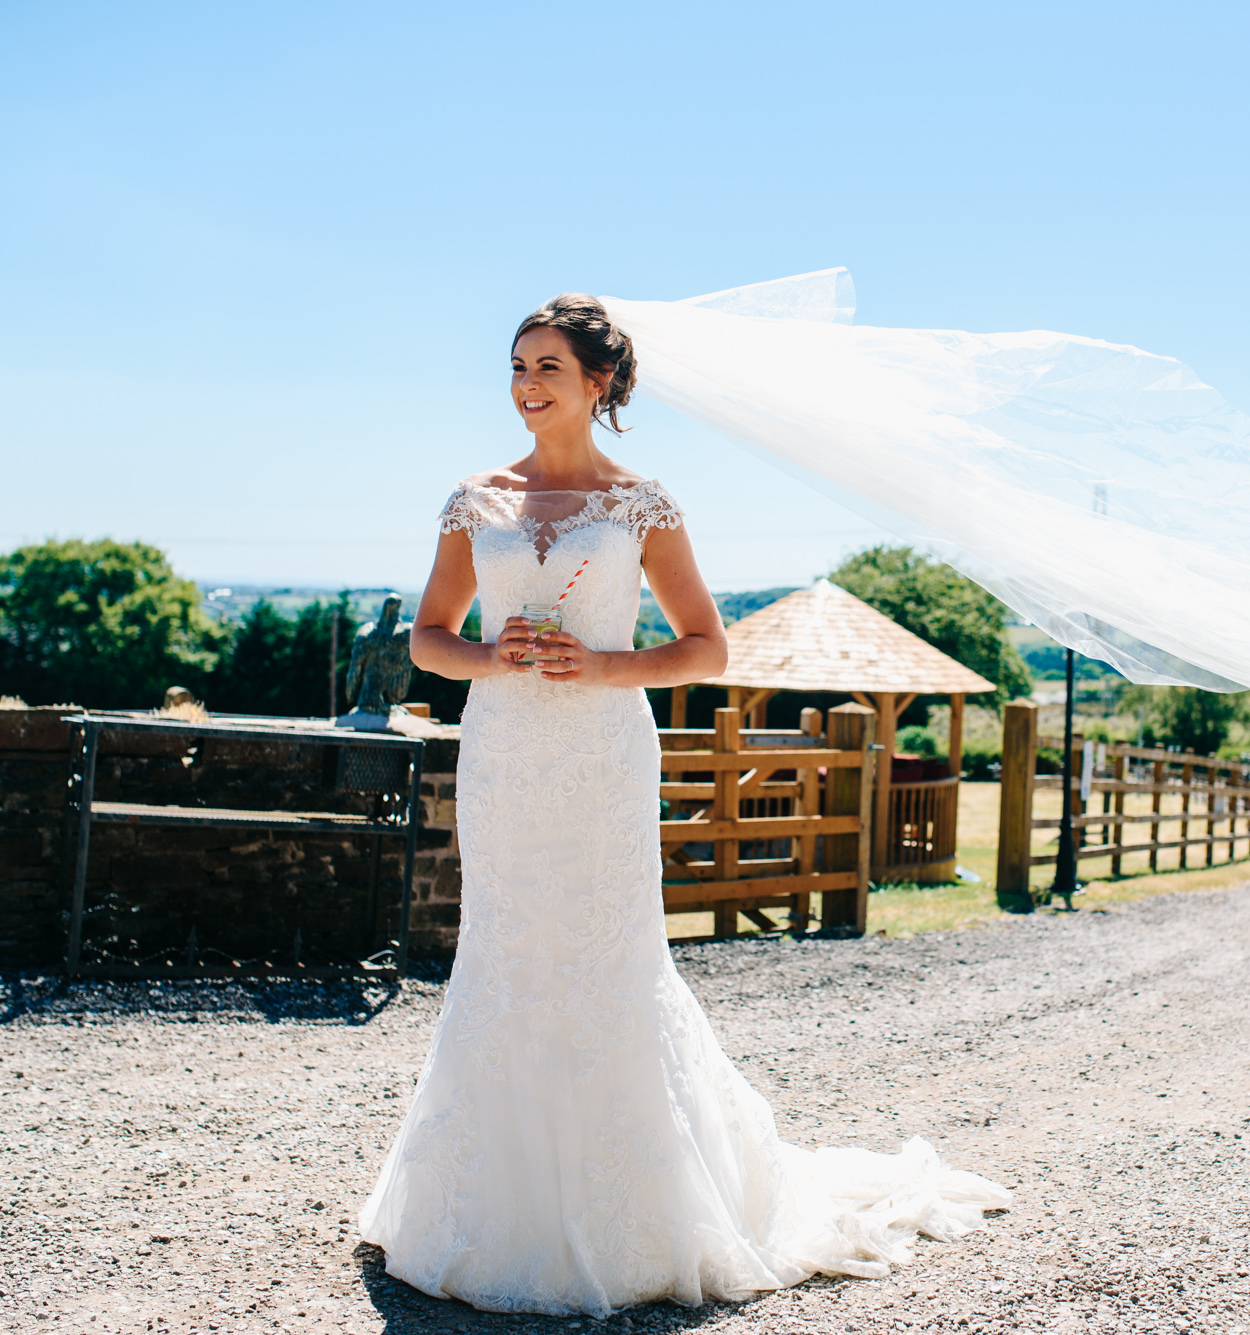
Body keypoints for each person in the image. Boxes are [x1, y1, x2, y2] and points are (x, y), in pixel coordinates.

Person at [357, 294, 1008, 1316]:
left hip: (604, 753)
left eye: (548, 369)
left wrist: (605, 663)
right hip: (504, 755)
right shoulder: (472, 499)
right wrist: (488, 654)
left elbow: (707, 646)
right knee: (505, 949)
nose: (527, 385)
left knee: (607, 955)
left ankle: (643, 1210)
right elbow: (427, 638)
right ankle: (476, 1208)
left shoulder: (642, 507)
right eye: (517, 367)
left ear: (599, 383)